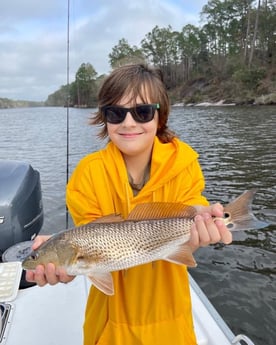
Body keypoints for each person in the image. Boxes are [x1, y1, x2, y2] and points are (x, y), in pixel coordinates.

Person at [26, 63, 232, 345]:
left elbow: (192, 214)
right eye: (116, 113)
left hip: (173, 324)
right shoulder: (87, 175)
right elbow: (89, 246)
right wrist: (63, 270)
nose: (129, 122)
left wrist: (206, 224)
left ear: (160, 116)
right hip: (110, 327)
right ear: (105, 118)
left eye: (142, 111)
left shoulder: (185, 165)